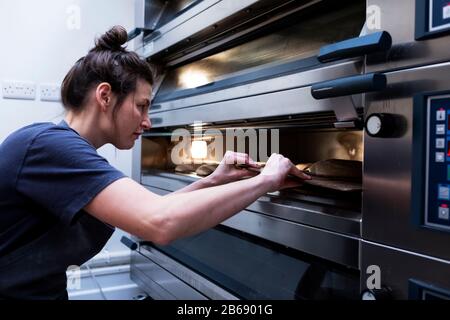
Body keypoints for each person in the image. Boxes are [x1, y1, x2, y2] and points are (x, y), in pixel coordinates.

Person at [0, 26, 310, 300]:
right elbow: (160, 223)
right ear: (105, 96)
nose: (148, 122)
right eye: (141, 106)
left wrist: (215, 180)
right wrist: (266, 180)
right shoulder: (49, 147)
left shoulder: (64, 150)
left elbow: (149, 215)